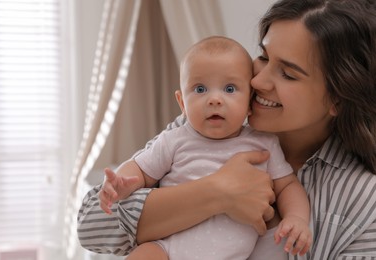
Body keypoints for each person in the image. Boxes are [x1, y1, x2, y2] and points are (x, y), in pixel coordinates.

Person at [77, 0, 376, 259]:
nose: (257, 82)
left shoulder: (362, 201)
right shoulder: (204, 125)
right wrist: (217, 192)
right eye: (263, 57)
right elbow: (91, 225)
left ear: (338, 97)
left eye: (287, 73)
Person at [98, 36, 311, 260]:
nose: (215, 99)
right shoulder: (174, 140)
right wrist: (120, 182)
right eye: (200, 89)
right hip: (167, 248)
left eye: (230, 88)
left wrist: (297, 217)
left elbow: (287, 185)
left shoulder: (263, 143)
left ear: (250, 103)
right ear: (182, 103)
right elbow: (139, 169)